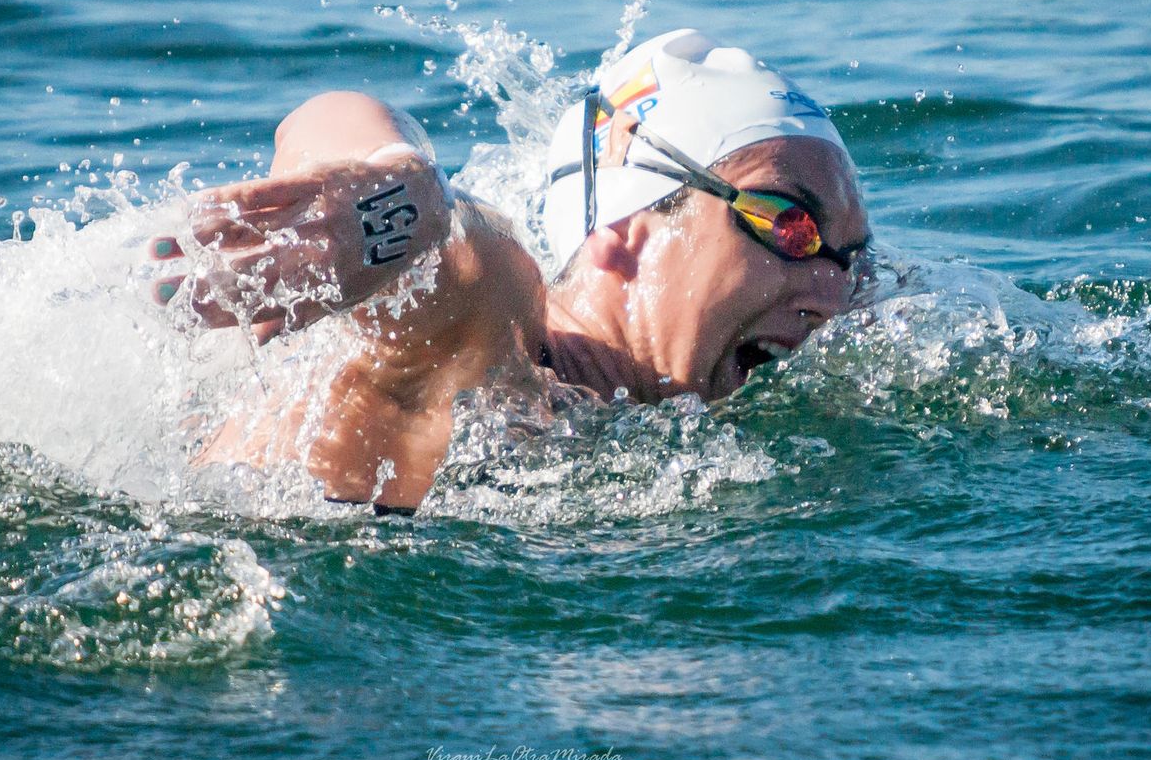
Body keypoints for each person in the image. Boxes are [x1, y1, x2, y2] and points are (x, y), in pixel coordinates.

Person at [149, 29, 871, 513]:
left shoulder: (638, 429)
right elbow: (345, 128)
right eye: (789, 224)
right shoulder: (505, 343)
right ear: (623, 232)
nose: (835, 291)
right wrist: (408, 197)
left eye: (853, 255)